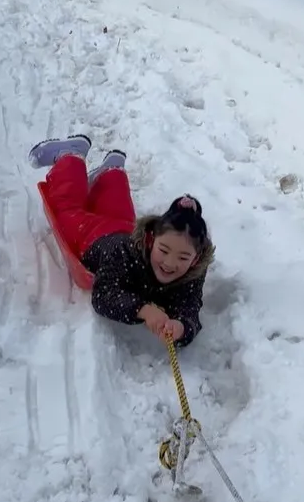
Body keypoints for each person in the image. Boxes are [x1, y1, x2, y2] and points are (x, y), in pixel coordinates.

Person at [29, 134, 214, 347]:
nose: (170, 263)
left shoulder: (193, 271)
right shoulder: (126, 253)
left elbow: (189, 307)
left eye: (183, 257)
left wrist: (181, 327)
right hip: (96, 236)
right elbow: (105, 295)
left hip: (125, 228)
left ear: (196, 258)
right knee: (67, 209)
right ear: (151, 239)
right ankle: (70, 156)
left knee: (117, 209)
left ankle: (111, 172)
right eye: (163, 250)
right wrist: (143, 310)